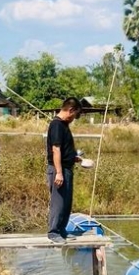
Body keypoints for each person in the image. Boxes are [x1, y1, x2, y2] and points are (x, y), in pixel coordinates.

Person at [46, 97, 83, 244]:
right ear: (70, 110)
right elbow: (56, 149)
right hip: (58, 170)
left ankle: (62, 230)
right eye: (75, 115)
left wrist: (75, 158)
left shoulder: (64, 125)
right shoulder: (56, 125)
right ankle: (53, 232)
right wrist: (59, 172)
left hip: (67, 168)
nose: (74, 118)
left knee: (67, 202)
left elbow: (65, 150)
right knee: (59, 202)